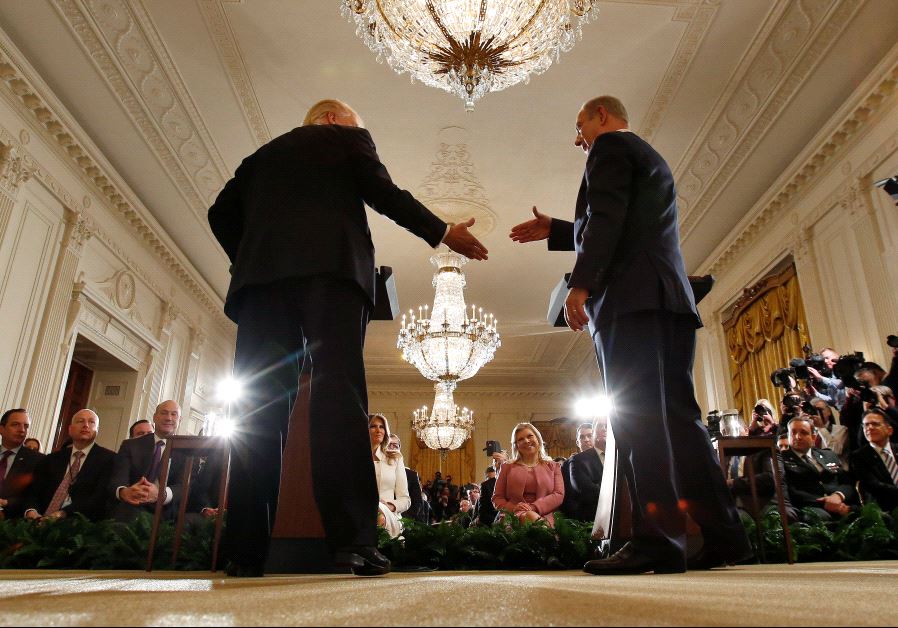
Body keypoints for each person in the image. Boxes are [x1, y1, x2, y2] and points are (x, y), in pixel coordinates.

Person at [207, 99, 488, 577]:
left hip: (262, 287)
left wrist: (253, 256)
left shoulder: (259, 158)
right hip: (331, 276)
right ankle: (353, 544)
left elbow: (219, 214)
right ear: (335, 118)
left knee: (258, 410)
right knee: (338, 401)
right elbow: (383, 192)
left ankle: (244, 551)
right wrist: (441, 231)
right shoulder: (345, 138)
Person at [510, 95, 750, 574]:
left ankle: (659, 542)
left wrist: (581, 285)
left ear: (602, 116)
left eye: (580, 127)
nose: (578, 139)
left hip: (631, 304)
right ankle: (724, 537)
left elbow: (607, 217)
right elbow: (629, 221)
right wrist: (559, 229)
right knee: (680, 422)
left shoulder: (609, 150)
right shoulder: (646, 156)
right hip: (668, 302)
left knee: (638, 421)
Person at [24, 409, 115, 522]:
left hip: (79, 525)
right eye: (80, 421)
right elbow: (34, 491)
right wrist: (31, 510)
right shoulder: (51, 459)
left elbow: (99, 497)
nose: (86, 425)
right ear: (70, 429)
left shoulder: (108, 459)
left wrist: (63, 513)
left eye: (91, 422)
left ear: (97, 430)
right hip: (38, 520)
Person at [109, 400, 188, 523]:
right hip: (131, 505)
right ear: (155, 417)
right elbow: (118, 477)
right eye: (164, 413)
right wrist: (125, 492)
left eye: (174, 414)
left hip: (165, 510)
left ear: (179, 420)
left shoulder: (187, 450)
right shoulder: (130, 445)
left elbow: (185, 486)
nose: (168, 418)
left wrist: (161, 494)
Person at [781, 416, 856, 521]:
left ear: (813, 437)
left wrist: (838, 496)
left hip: (840, 502)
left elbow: (847, 482)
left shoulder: (828, 454)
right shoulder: (781, 459)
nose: (798, 437)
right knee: (820, 518)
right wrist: (827, 503)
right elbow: (791, 491)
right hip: (811, 507)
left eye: (803, 432)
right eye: (793, 433)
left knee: (872, 514)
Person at [492, 423, 564, 527]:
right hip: (513, 517)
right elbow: (497, 498)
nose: (526, 441)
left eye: (530, 436)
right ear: (516, 445)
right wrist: (513, 508)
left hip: (546, 515)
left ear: (538, 439)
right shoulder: (506, 467)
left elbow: (558, 494)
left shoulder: (554, 466)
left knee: (534, 518)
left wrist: (534, 507)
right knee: (530, 517)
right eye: (520, 439)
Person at [368, 414, 409, 538]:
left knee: (378, 515)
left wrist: (390, 506)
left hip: (390, 515)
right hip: (363, 511)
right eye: (373, 426)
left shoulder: (395, 458)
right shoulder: (354, 459)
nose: (378, 430)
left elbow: (405, 500)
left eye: (382, 427)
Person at [849, 408, 898, 512]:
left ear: (889, 430)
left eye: (875, 424)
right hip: (884, 509)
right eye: (866, 425)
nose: (869, 428)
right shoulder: (859, 456)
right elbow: (874, 486)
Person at [0, 408, 43, 518]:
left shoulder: (38, 460)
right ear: (1, 429)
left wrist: (7, 503)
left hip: (13, 525)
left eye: (26, 426)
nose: (22, 430)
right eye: (15, 425)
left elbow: (36, 497)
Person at [387, 434, 424, 524]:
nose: (392, 448)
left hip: (403, 522)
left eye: (395, 445)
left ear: (399, 449)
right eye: (388, 445)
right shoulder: (376, 470)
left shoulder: (411, 475)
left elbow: (417, 502)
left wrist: (405, 520)